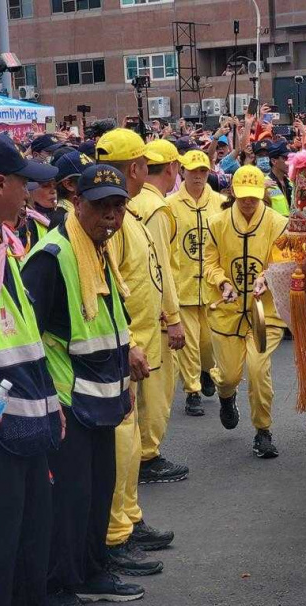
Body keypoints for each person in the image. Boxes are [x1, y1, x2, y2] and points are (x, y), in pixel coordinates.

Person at [22, 164, 146, 605]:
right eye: (101, 206)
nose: (111, 216)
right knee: (70, 501)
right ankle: (61, 583)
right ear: (77, 204)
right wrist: (45, 401)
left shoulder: (99, 249)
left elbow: (110, 317)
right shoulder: (53, 257)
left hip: (102, 396)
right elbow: (28, 336)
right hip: (67, 402)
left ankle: (92, 572)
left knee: (96, 495)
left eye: (118, 205)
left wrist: (128, 354)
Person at [0, 135, 63, 606]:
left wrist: (49, 402)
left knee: (32, 543)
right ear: (0, 184)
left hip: (29, 422)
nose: (30, 192)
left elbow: (26, 338)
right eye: (24, 182)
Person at [95, 129, 176, 576]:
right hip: (124, 351)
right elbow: (108, 294)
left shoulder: (125, 217)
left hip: (136, 347)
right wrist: (130, 344)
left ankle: (129, 521)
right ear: (137, 168)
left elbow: (149, 277)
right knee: (123, 447)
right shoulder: (111, 221)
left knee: (129, 445)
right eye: (145, 162)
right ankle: (116, 534)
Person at [204, 165, 288, 458]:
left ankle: (263, 431)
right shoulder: (217, 224)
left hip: (264, 313)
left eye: (254, 196)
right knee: (228, 377)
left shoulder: (278, 223)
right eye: (243, 197)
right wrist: (222, 282)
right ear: (233, 194)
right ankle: (226, 397)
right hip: (227, 311)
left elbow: (284, 261)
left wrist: (268, 276)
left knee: (257, 368)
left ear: (263, 194)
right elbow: (209, 263)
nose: (249, 202)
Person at [130, 138, 189, 484]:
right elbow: (160, 268)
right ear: (172, 168)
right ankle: (147, 455)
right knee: (157, 389)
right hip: (156, 312)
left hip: (145, 309)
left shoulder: (138, 202)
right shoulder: (155, 209)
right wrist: (174, 316)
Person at [166, 149, 225, 416]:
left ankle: (206, 370)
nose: (198, 177)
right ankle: (192, 390)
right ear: (183, 172)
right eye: (193, 171)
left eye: (203, 171)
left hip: (213, 286)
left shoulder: (221, 203)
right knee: (188, 342)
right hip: (184, 283)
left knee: (209, 341)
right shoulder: (170, 206)